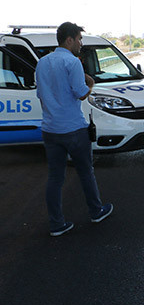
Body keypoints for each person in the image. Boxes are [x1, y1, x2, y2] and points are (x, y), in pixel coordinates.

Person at [35, 22, 113, 237]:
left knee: (55, 178)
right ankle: (96, 211)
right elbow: (81, 93)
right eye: (79, 39)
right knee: (86, 172)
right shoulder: (72, 62)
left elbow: (41, 95)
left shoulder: (42, 63)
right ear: (69, 39)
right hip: (73, 129)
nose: (81, 43)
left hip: (50, 130)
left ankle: (56, 224)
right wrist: (91, 82)